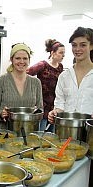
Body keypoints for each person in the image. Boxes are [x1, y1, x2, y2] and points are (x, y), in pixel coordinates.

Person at [48, 26, 93, 186]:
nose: (78, 49)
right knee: (67, 180)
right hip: (65, 139)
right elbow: (59, 104)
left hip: (90, 140)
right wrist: (55, 112)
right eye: (74, 45)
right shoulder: (64, 76)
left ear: (91, 46)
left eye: (83, 44)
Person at [0, 43, 43, 129]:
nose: (21, 61)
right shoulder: (1, 80)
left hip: (28, 133)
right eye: (17, 58)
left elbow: (40, 109)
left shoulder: (36, 82)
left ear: (29, 60)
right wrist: (1, 113)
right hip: (5, 133)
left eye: (25, 58)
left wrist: (35, 114)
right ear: (11, 59)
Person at [27, 39, 65, 132]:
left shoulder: (60, 67)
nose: (63, 55)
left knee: (51, 134)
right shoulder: (42, 65)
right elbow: (26, 74)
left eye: (64, 53)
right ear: (53, 53)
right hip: (42, 105)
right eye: (61, 53)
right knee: (40, 133)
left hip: (54, 106)